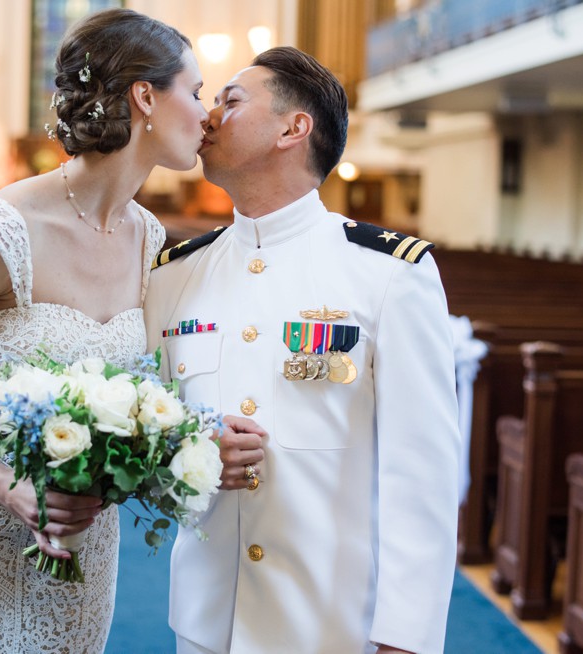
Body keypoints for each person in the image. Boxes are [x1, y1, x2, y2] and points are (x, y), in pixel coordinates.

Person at [0, 9, 209, 652]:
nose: (206, 114)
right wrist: (18, 492)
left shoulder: (150, 240)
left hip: (82, 551)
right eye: (196, 93)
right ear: (146, 97)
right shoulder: (3, 230)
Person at [144, 46, 460, 654]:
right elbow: (151, 433)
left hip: (330, 623)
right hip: (207, 621)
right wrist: (185, 456)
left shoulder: (389, 274)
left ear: (294, 127)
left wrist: (407, 639)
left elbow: (421, 477)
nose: (207, 116)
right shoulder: (174, 276)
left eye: (230, 101)